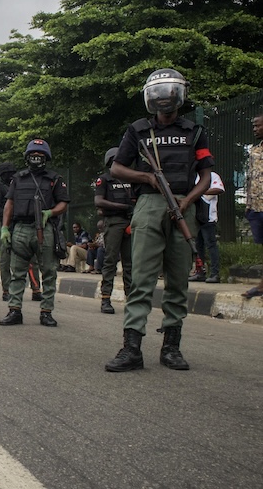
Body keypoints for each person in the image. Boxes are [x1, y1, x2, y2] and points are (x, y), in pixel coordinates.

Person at [105, 69, 214, 372]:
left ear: (179, 97)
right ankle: (131, 348)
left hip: (183, 206)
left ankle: (172, 348)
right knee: (141, 280)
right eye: (158, 94)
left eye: (169, 94)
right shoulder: (137, 131)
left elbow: (205, 176)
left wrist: (188, 200)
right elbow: (117, 168)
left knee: (178, 281)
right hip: (150, 205)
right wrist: (147, 177)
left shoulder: (195, 131)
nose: (164, 100)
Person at [0, 138, 69, 327]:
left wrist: (51, 213)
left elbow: (64, 203)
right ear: (27, 157)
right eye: (33, 155)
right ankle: (14, 311)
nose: (36, 158)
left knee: (49, 272)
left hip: (44, 229)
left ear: (46, 158)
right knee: (17, 272)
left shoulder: (54, 179)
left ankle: (46, 312)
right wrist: (5, 228)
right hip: (20, 229)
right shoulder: (18, 178)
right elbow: (9, 204)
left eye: (40, 155)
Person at [95, 146, 135, 314]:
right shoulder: (104, 180)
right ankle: (105, 299)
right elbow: (98, 201)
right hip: (114, 222)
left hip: (131, 222)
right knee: (110, 261)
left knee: (130, 263)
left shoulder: (132, 179)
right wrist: (122, 206)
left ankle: (131, 300)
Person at [189, 171, 225, 283]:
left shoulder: (212, 175)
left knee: (210, 245)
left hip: (208, 217)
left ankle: (215, 273)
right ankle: (200, 272)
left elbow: (219, 189)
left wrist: (200, 192)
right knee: (198, 246)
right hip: (196, 217)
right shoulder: (192, 176)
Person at [243, 113, 263, 299]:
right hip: (256, 206)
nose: (255, 129)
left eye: (258, 126)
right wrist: (248, 204)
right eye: (254, 126)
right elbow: (250, 177)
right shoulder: (255, 151)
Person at [0, 162, 16, 300]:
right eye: (9, 173)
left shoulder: (16, 186)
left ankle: (35, 288)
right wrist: (8, 216)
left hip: (18, 223)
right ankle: (6, 290)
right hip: (3, 223)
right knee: (6, 257)